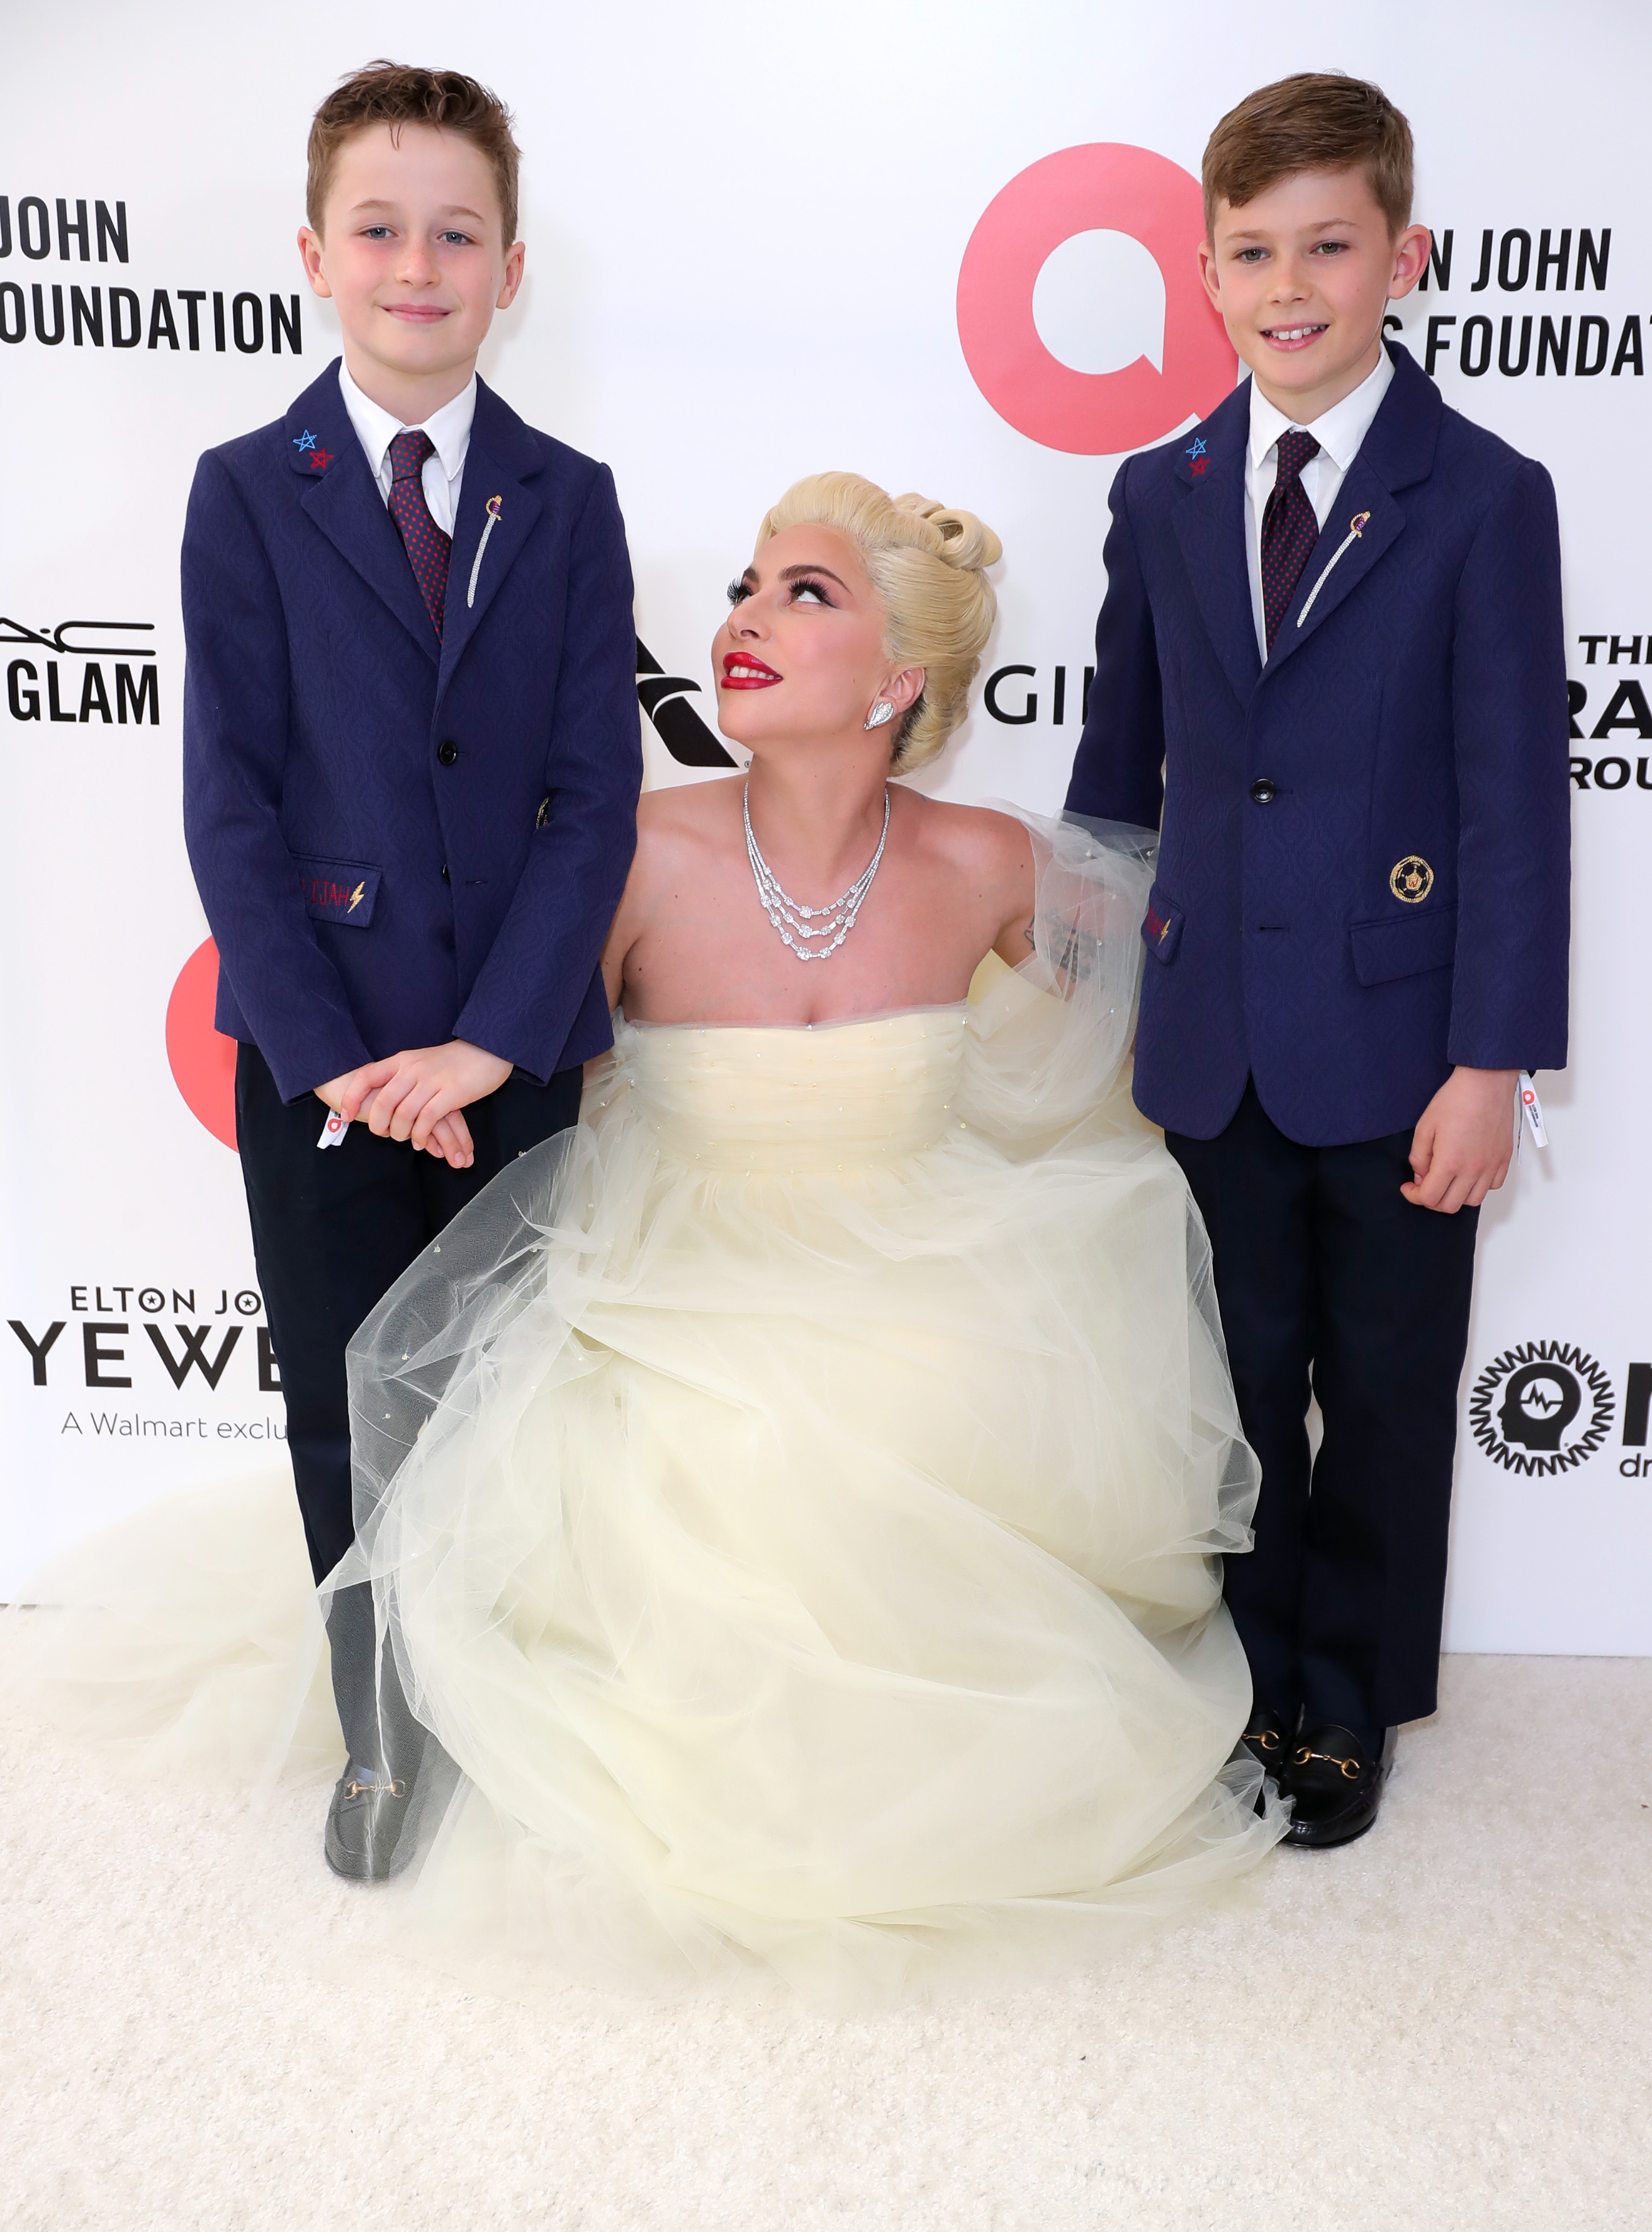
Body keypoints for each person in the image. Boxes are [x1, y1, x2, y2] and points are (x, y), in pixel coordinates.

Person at [301, 470, 1285, 2004]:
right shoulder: (625, 849)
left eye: (802, 594)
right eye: (746, 587)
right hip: (671, 1263)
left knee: (928, 1395)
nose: (743, 619)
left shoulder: (990, 864)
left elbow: (1149, 1048)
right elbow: (530, 1061)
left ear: (899, 680)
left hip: (917, 1250)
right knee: (732, 1437)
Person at [1064, 74, 1570, 1848]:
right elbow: (1115, 776)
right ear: (1206, 274)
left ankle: (1349, 1699)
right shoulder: (1162, 489)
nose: (1292, 288)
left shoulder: (1483, 496)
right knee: (1231, 1382)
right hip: (1209, 1034)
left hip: (1400, 1037)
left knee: (1379, 1386)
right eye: (1255, 253)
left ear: (1401, 259)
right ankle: (1250, 1679)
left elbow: (1518, 800)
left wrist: (1491, 1059)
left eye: (1330, 249)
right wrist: (1086, 1001)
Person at [179, 62, 641, 1879]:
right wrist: (334, 1055)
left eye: (457, 231)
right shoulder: (243, 493)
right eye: (380, 227)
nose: (418, 262)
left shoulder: (571, 499)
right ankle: (381, 1729)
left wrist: (490, 1043)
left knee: (502, 1395)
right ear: (315, 252)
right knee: (342, 1396)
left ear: (510, 266)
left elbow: (587, 804)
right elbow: (230, 806)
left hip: (509, 1050)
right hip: (320, 1056)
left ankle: (496, 1697)